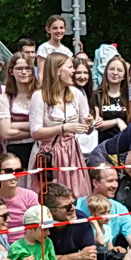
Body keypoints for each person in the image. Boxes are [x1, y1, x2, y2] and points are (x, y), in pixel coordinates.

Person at [28, 53, 93, 197]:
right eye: (70, 67)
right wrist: (63, 128)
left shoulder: (76, 94)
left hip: (72, 154)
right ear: (57, 71)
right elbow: (35, 132)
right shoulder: (39, 96)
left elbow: (86, 129)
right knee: (49, 197)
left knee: (77, 196)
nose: (73, 71)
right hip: (48, 154)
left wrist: (91, 124)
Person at [76, 164, 131, 260]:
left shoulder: (120, 209)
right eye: (110, 181)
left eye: (116, 180)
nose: (115, 185)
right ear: (95, 183)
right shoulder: (77, 206)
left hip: (105, 257)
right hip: (81, 258)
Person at [40, 182, 99, 260]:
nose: (73, 208)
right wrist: (77, 256)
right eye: (67, 207)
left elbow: (90, 255)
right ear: (51, 211)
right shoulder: (40, 225)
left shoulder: (81, 218)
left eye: (73, 203)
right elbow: (42, 259)